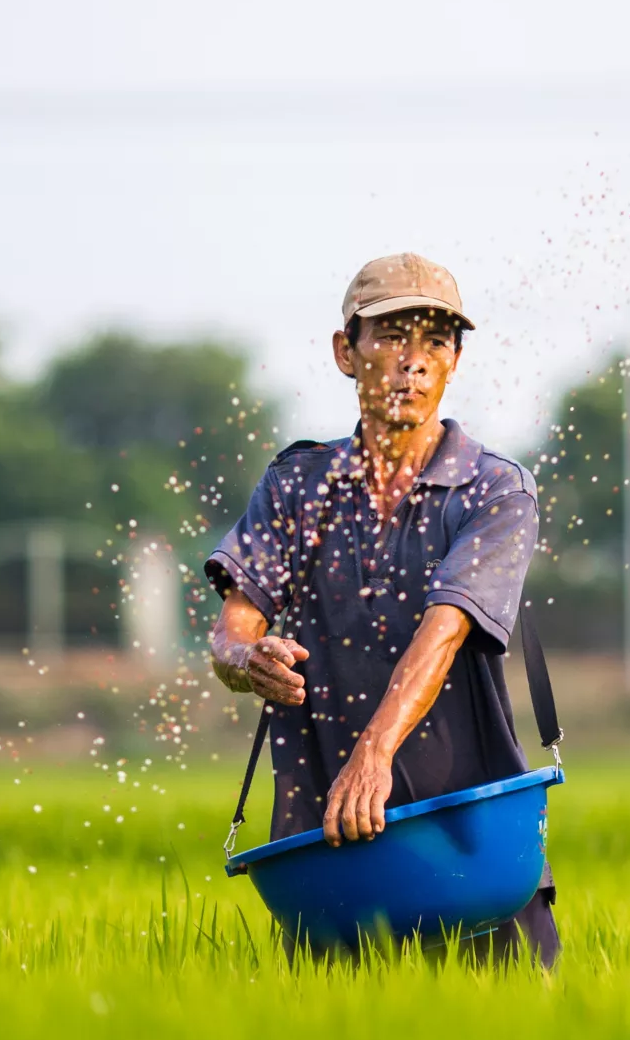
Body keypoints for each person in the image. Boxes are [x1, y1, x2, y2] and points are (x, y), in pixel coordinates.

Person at [203, 254, 558, 967]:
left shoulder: (493, 491)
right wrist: (249, 660)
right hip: (332, 851)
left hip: (474, 840)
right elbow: (231, 630)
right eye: (393, 338)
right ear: (346, 351)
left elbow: (445, 628)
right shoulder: (297, 488)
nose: (413, 363)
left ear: (456, 360)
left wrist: (374, 753)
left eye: (435, 342)